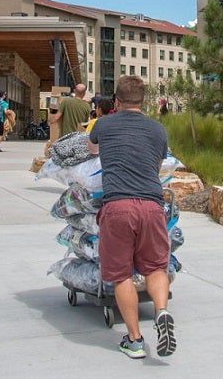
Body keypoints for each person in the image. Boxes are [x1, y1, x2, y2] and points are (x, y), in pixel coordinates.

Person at [88, 75, 176, 359]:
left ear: (116, 100)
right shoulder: (158, 130)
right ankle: (161, 311)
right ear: (144, 101)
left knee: (122, 274)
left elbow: (92, 150)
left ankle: (135, 340)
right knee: (155, 267)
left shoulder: (103, 124)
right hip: (152, 206)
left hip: (119, 207)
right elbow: (158, 164)